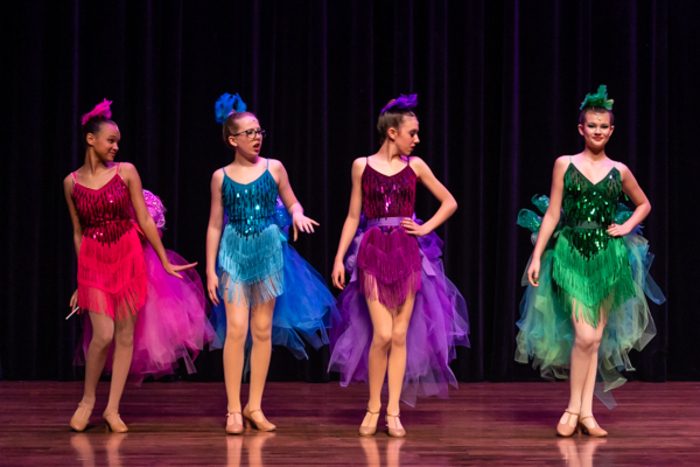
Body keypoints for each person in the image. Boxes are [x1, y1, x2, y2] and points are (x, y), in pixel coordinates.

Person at [515, 85, 665, 437]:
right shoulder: (565, 165)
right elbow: (553, 212)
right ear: (581, 129)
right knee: (583, 335)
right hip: (571, 252)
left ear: (611, 131)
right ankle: (572, 408)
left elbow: (643, 203)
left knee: (594, 339)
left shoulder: (619, 170)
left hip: (607, 256)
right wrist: (536, 256)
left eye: (603, 126)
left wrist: (626, 226)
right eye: (591, 125)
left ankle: (584, 412)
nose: (597, 131)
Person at [66, 99, 214, 433]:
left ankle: (112, 409)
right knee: (101, 335)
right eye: (110, 140)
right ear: (91, 139)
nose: (116, 147)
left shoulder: (126, 172)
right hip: (94, 261)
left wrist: (163, 261)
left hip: (128, 255)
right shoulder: (71, 183)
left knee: (124, 334)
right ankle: (87, 401)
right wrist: (80, 280)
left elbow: (144, 219)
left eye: (118, 142)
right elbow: (78, 233)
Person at [329, 94, 470, 438]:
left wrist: (424, 227)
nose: (417, 139)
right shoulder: (361, 165)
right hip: (373, 251)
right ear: (392, 132)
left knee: (400, 334)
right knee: (382, 333)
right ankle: (373, 407)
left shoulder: (415, 166)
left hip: (407, 252)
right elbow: (352, 216)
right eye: (413, 132)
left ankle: (393, 411)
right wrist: (338, 257)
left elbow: (449, 201)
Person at [206, 93, 336, 434]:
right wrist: (209, 269)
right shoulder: (221, 176)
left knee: (262, 330)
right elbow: (215, 224)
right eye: (249, 132)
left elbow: (292, 202)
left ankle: (254, 406)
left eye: (259, 130)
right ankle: (234, 409)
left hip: (267, 251)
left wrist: (298, 214)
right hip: (233, 252)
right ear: (232, 139)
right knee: (236, 329)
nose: (257, 136)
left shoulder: (273, 167)